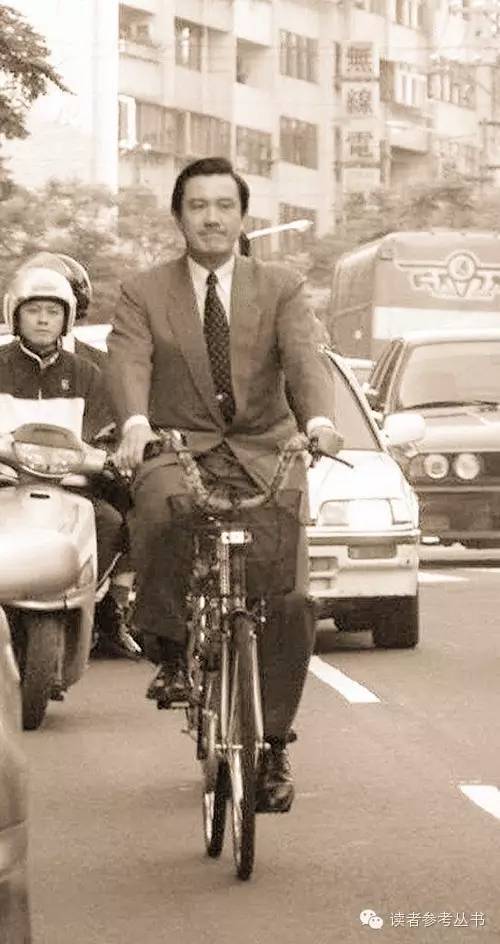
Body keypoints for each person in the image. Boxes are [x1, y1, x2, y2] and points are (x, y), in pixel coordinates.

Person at [106, 156, 342, 814]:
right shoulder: (143, 290)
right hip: (177, 445)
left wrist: (319, 421)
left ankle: (274, 746)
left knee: (289, 600)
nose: (211, 217)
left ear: (242, 217)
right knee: (160, 510)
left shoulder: (282, 286)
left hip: (267, 451)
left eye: (224, 205)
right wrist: (134, 423)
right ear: (179, 217)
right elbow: (129, 360)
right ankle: (171, 648)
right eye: (197, 205)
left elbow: (303, 357)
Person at [0, 264, 136, 654]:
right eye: (33, 310)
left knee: (114, 521)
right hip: (6, 483)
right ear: (15, 315)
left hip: (70, 489)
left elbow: (107, 432)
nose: (43, 319)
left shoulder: (88, 374)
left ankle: (106, 606)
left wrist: (110, 458)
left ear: (67, 318)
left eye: (53, 311)